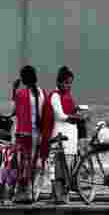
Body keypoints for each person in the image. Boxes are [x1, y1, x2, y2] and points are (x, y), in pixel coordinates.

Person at [39, 66, 82, 202]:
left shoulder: (67, 96)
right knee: (57, 167)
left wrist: (77, 112)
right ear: (58, 82)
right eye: (66, 83)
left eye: (70, 83)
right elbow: (60, 115)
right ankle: (57, 196)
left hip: (70, 136)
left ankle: (62, 196)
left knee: (66, 167)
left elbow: (70, 111)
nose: (68, 86)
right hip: (58, 134)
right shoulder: (55, 96)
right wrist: (75, 117)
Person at [11, 65, 45, 201]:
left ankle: (21, 193)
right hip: (38, 134)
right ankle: (32, 191)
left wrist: (14, 89)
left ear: (23, 79)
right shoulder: (42, 92)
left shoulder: (21, 94)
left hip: (24, 134)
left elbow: (15, 111)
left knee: (22, 163)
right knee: (34, 161)